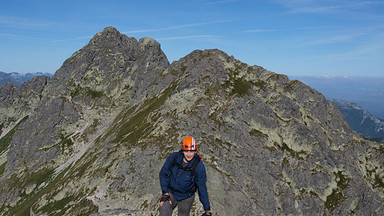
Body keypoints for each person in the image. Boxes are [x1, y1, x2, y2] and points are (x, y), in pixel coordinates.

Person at [159, 136, 212, 216]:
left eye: (191, 151)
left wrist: (207, 209)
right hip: (171, 193)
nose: (189, 154)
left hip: (186, 197)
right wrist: (165, 192)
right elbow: (163, 173)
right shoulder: (174, 157)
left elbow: (202, 187)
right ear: (182, 150)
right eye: (186, 151)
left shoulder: (198, 167)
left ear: (195, 151)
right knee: (164, 210)